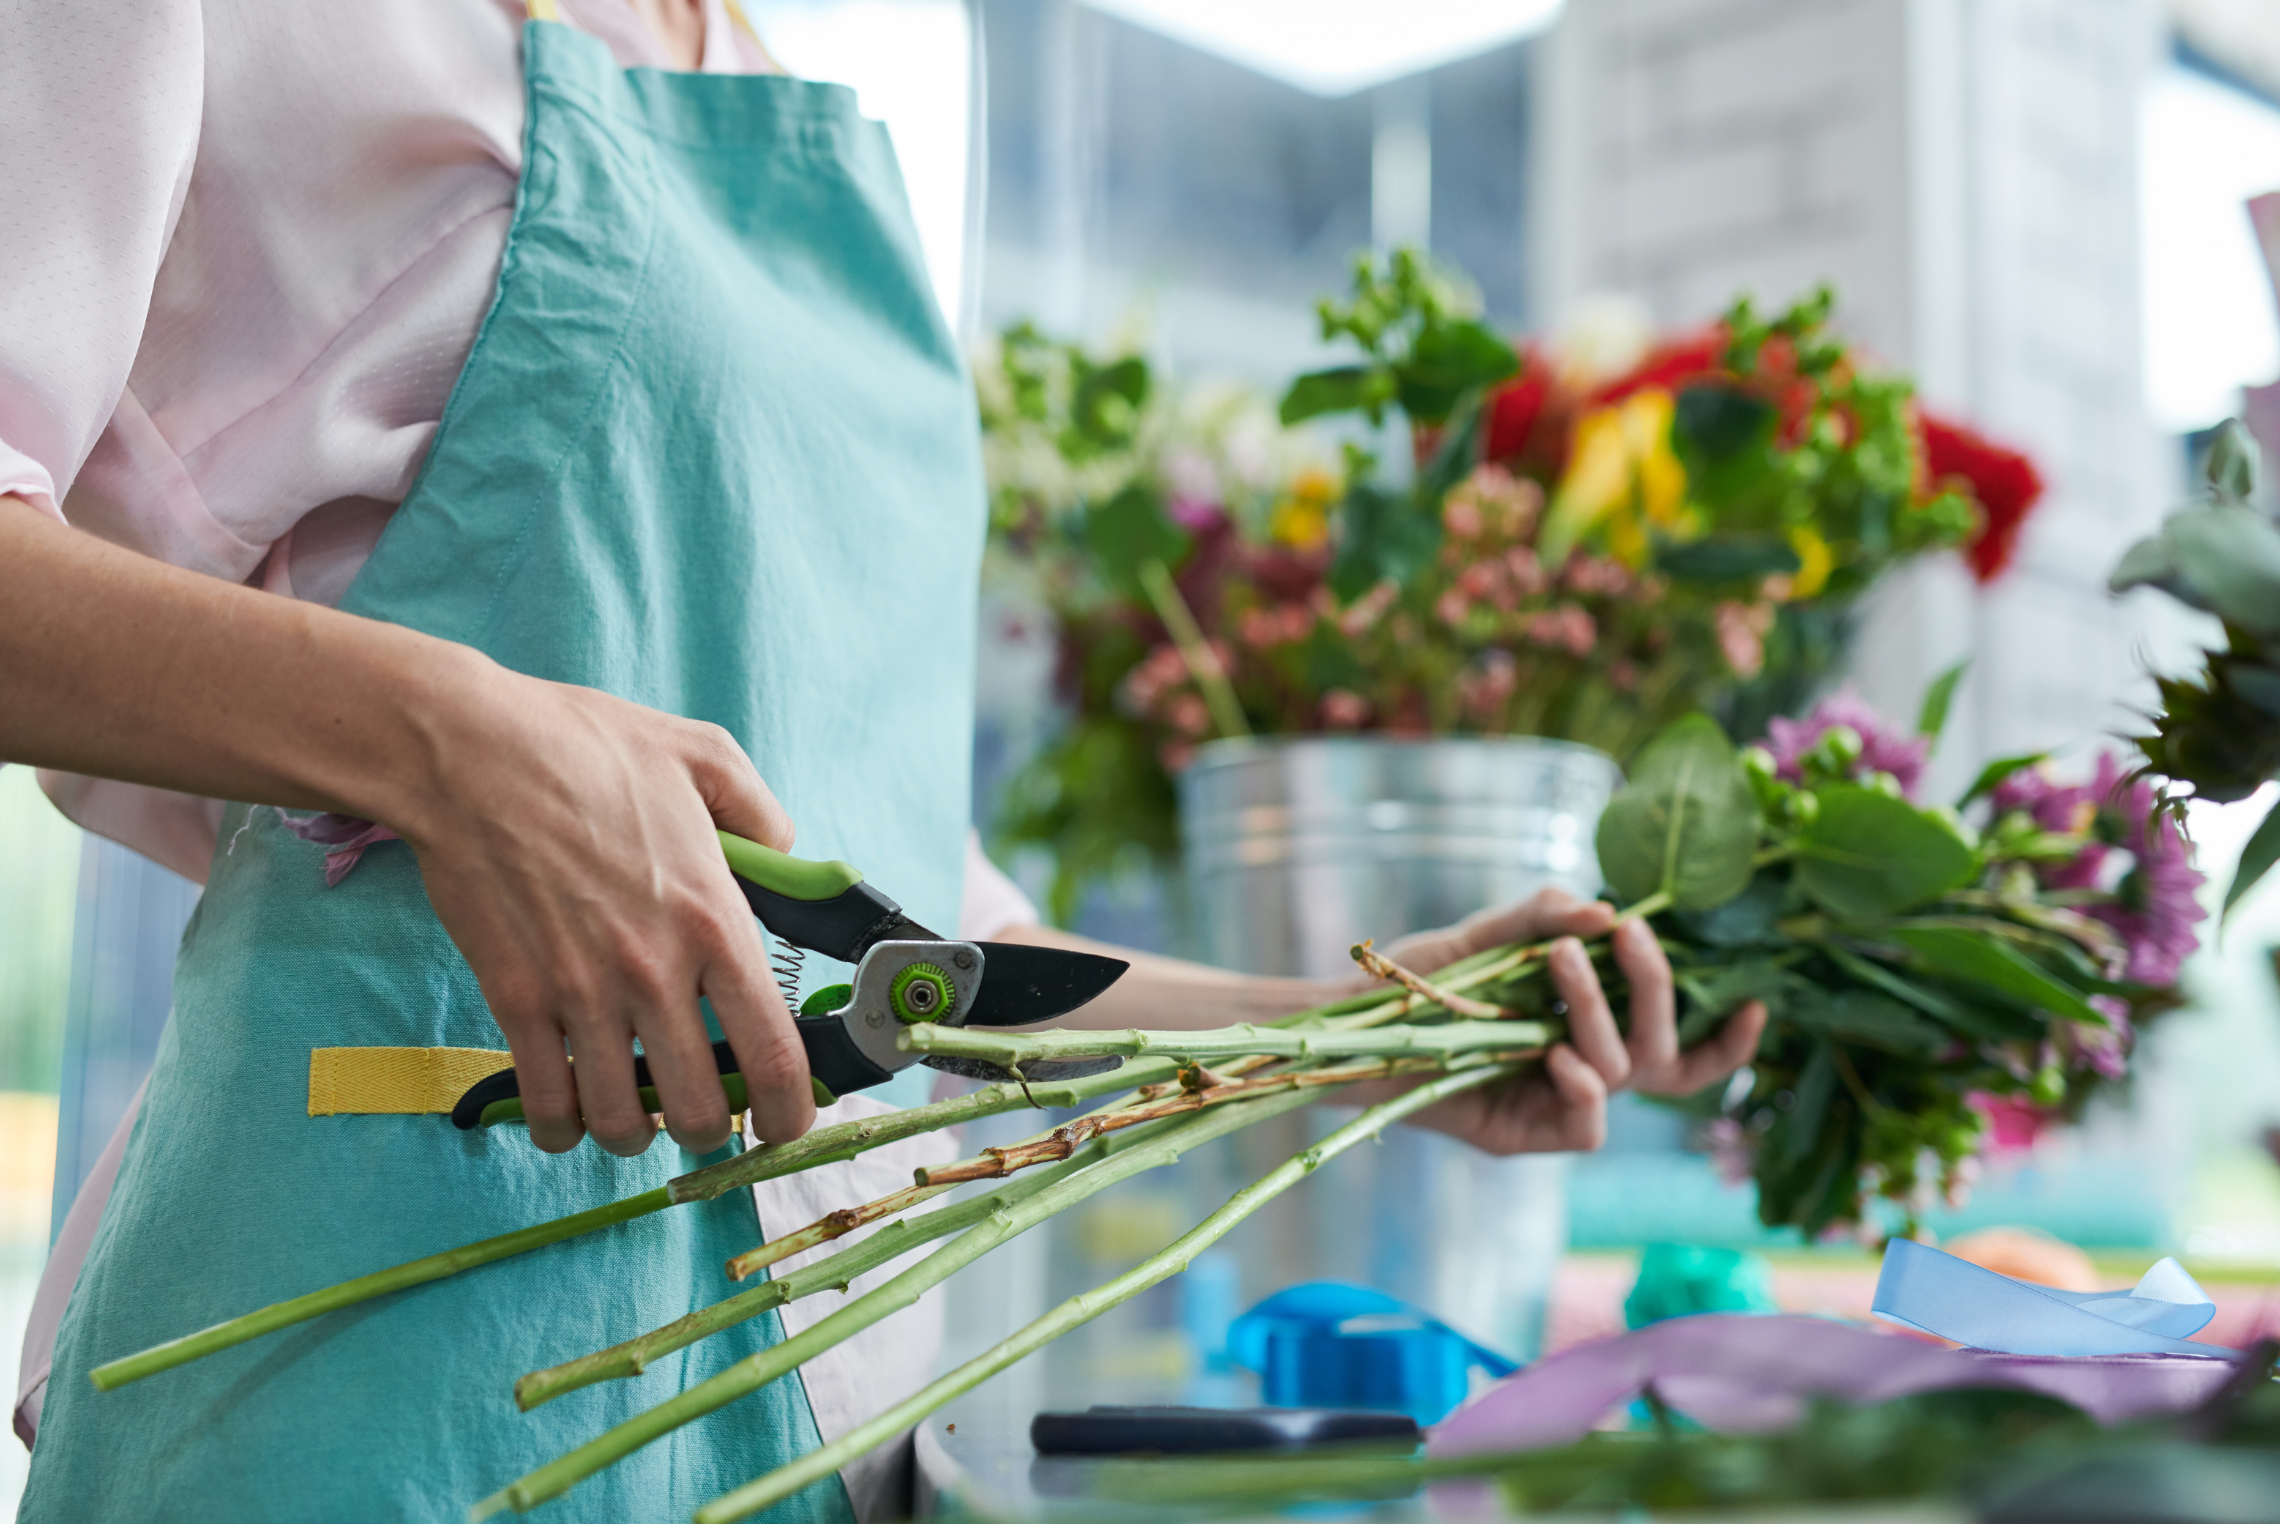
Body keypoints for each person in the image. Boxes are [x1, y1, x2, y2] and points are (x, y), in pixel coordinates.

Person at [0, 1, 1766, 1518]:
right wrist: (453, 736)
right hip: (383, 1363)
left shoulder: (765, 77)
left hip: (820, 1418)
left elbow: (885, 927)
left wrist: (1345, 1037)